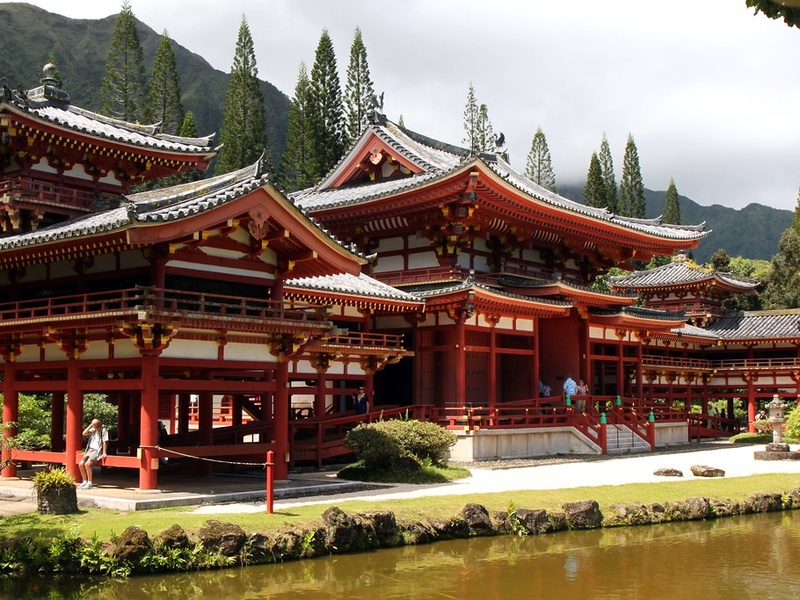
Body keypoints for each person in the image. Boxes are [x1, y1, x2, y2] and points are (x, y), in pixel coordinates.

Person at [78, 418, 108, 490]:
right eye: (94, 426)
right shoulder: (93, 429)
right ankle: (85, 481)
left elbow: (105, 442)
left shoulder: (103, 430)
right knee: (81, 464)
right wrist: (90, 425)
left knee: (87, 464)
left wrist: (104, 452)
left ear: (99, 424)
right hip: (90, 449)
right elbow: (84, 433)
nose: (95, 427)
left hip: (97, 450)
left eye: (96, 426)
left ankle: (90, 483)